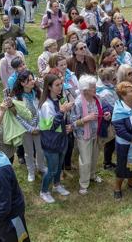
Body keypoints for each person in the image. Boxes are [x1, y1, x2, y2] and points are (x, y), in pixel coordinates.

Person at [38, 74, 73, 204]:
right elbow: (51, 126)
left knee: (59, 166)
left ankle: (57, 185)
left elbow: (60, 123)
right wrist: (62, 111)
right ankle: (44, 191)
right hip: (51, 143)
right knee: (52, 169)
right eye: (57, 85)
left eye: (60, 84)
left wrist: (66, 126)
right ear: (49, 87)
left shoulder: (58, 99)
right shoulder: (46, 105)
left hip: (61, 140)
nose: (60, 87)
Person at [70, 75, 104, 195]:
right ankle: (83, 184)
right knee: (85, 161)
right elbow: (72, 123)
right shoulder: (78, 102)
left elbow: (100, 112)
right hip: (83, 135)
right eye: (92, 87)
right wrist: (86, 119)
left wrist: (105, 115)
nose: (95, 89)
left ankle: (92, 175)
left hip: (95, 133)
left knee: (94, 157)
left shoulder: (97, 98)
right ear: (85, 90)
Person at [11, 70, 46, 182]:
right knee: (28, 151)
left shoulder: (38, 92)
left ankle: (41, 166)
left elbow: (42, 109)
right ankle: (31, 171)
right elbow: (17, 117)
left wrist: (39, 126)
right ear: (22, 83)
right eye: (29, 80)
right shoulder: (17, 98)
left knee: (40, 150)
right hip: (26, 130)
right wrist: (30, 129)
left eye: (32, 79)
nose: (32, 82)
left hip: (39, 127)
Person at [96, 67, 118, 170]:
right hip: (109, 119)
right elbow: (112, 106)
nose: (116, 81)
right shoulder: (106, 92)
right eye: (114, 79)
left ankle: (108, 161)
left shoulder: (109, 88)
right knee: (110, 141)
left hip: (113, 116)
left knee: (112, 141)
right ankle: (107, 162)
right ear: (107, 80)